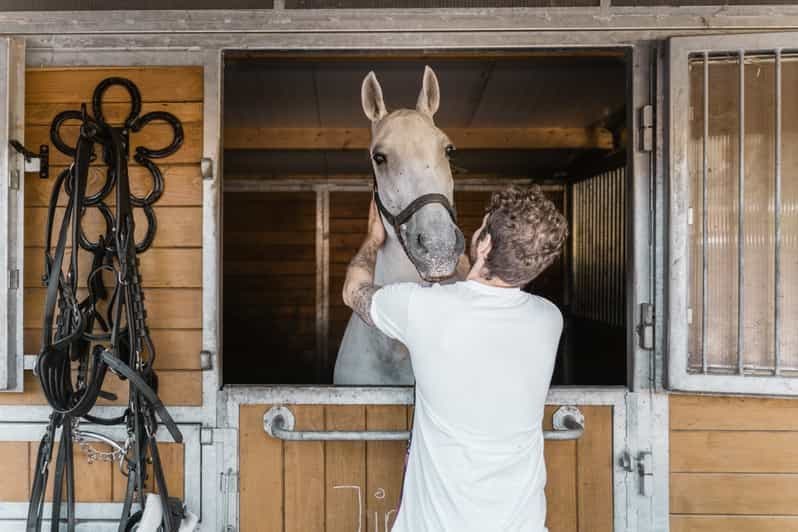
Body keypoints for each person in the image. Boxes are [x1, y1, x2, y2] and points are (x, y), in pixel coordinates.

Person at [342, 185, 569, 532]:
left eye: (483, 227)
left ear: (484, 244)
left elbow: (354, 291)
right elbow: (478, 290)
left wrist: (373, 240)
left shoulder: (423, 309)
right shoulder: (548, 319)